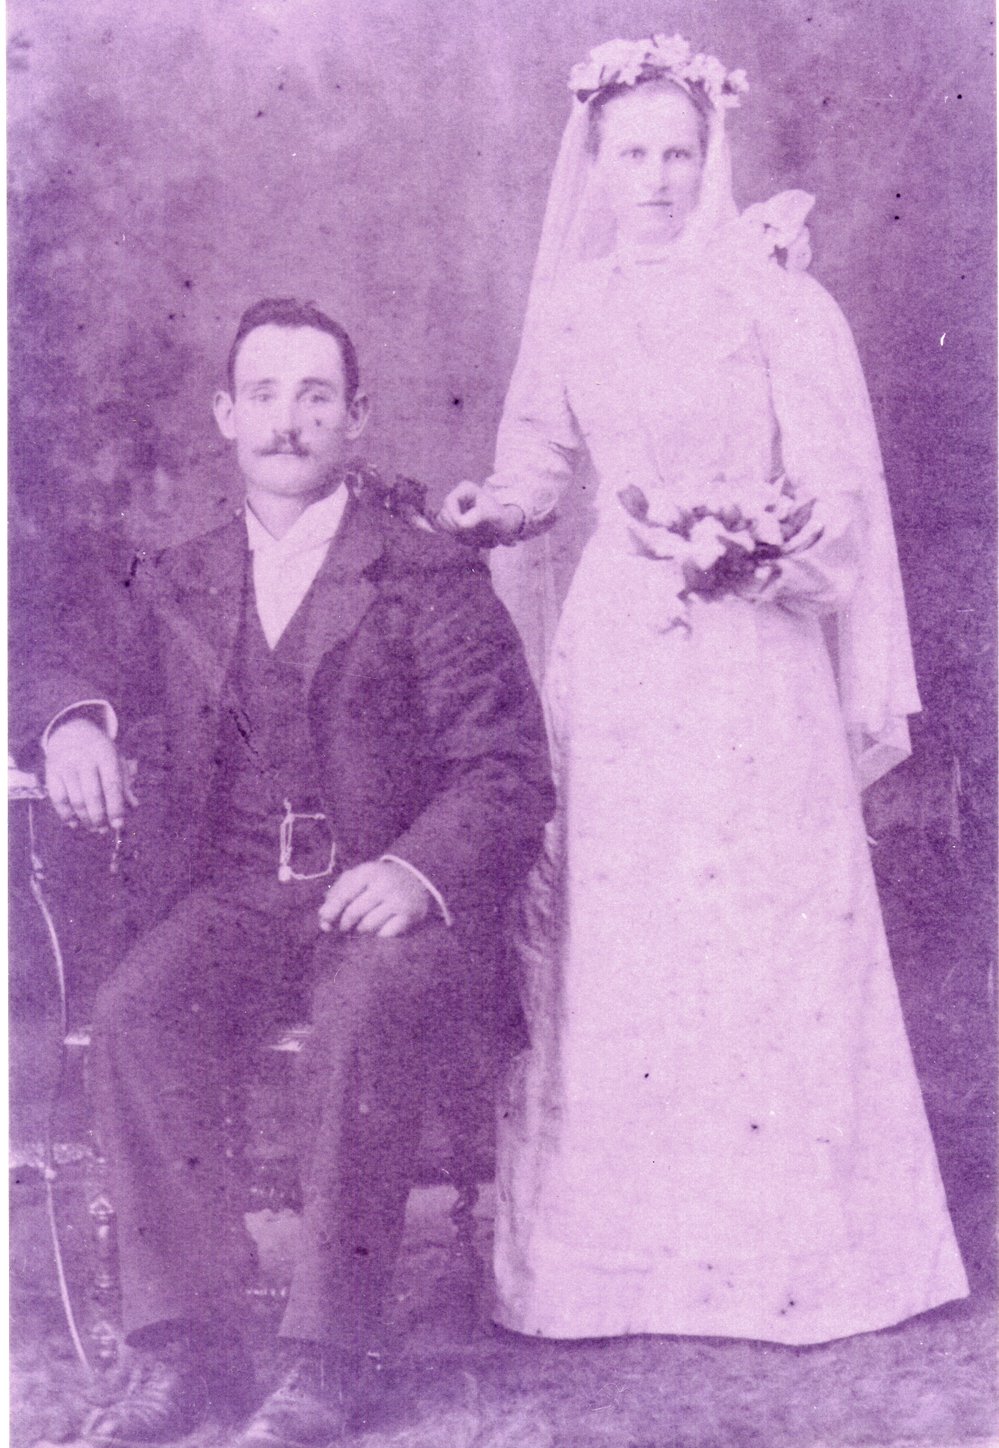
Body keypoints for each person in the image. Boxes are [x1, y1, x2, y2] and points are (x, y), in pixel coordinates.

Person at [438, 36, 969, 1345]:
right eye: (633, 154)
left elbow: (833, 488)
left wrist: (765, 555)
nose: (658, 178)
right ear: (596, 162)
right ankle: (619, 1267)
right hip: (622, 646)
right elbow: (539, 463)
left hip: (754, 649)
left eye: (679, 152)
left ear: (709, 153)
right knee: (630, 921)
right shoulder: (572, 306)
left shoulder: (771, 300)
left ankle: (792, 1254)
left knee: (758, 915)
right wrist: (491, 507)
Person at [27, 296, 553, 1446]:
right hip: (230, 895)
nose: (286, 419)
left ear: (357, 418)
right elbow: (56, 661)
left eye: (315, 396)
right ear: (225, 414)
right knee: (135, 1010)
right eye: (262, 394)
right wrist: (72, 725)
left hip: (380, 901)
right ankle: (188, 1349)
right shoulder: (177, 575)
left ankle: (328, 1357)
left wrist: (416, 868)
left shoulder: (428, 574)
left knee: (364, 1010)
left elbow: (508, 768)